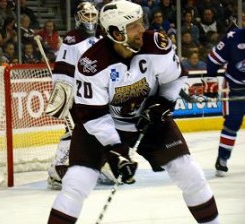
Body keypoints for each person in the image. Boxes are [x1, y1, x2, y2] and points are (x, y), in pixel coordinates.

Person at [46, 1, 220, 224]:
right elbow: (92, 116)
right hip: (102, 124)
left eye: (141, 23)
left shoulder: (156, 44)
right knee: (76, 183)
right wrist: (116, 150)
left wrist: (163, 103)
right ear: (116, 33)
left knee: (190, 173)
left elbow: (175, 78)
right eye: (134, 26)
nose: (142, 30)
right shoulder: (91, 64)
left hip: (148, 119)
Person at [46, 1, 115, 190]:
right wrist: (62, 93)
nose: (91, 19)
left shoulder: (102, 36)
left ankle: (98, 165)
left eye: (93, 15)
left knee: (99, 129)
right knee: (75, 131)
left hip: (98, 95)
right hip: (78, 95)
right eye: (87, 16)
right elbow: (63, 68)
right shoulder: (72, 39)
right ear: (78, 18)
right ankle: (56, 170)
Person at [206, 27, 245, 177]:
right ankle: (222, 158)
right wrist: (210, 81)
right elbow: (212, 59)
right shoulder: (233, 37)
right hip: (234, 86)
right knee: (232, 123)